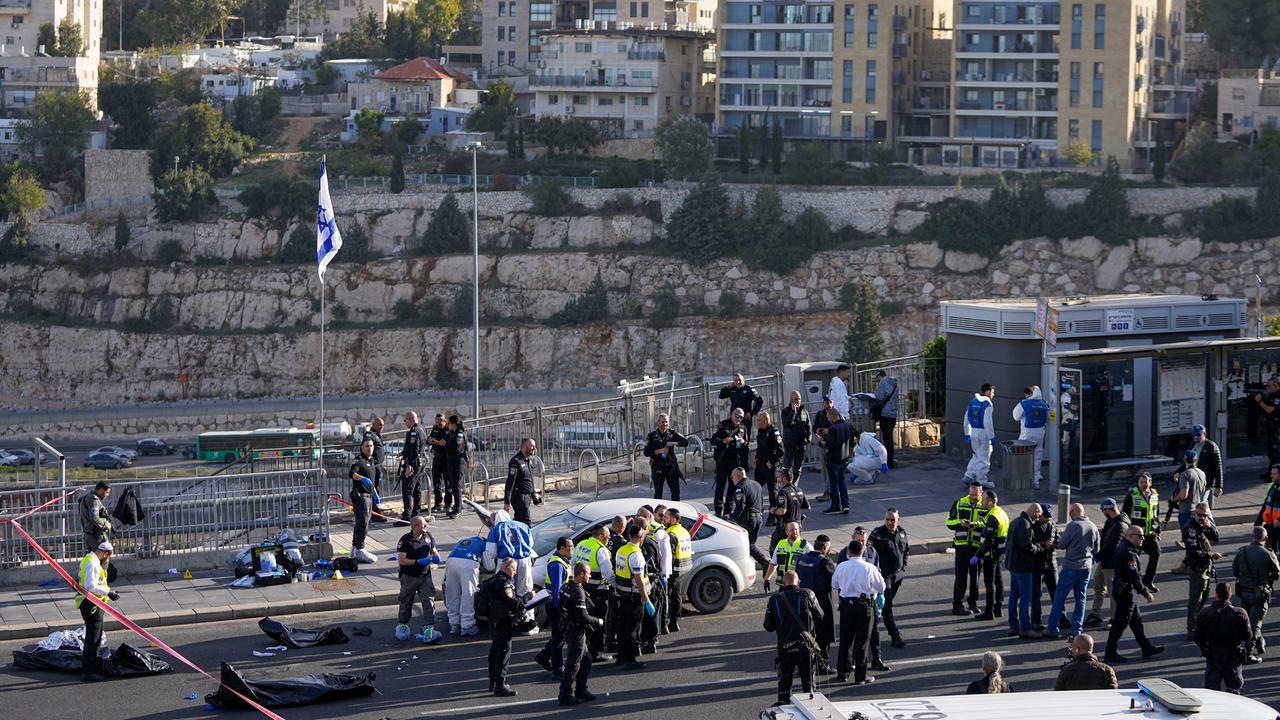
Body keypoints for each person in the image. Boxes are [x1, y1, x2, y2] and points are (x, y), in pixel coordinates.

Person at [1103, 525, 1165, 664]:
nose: (1142, 538)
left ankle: (1146, 647)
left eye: (1142, 536)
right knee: (1120, 623)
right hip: (1126, 592)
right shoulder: (1128, 553)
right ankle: (1110, 652)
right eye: (1139, 536)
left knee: (1136, 622)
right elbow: (1134, 577)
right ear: (1130, 536)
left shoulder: (1127, 548)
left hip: (1126, 591)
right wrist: (1146, 593)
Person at [763, 570, 824, 705]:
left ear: (784, 583)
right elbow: (820, 615)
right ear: (799, 582)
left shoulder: (774, 599)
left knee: (784, 682)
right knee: (808, 685)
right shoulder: (808, 594)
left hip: (785, 648)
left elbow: (768, 626)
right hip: (806, 647)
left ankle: (784, 706)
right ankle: (809, 708)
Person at [831, 539, 885, 685]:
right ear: (862, 552)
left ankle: (843, 673)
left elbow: (834, 584)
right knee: (862, 642)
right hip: (864, 607)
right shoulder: (869, 567)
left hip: (846, 607)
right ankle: (860, 676)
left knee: (845, 641)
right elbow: (881, 587)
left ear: (849, 552)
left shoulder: (841, 566)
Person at [1046, 503, 1099, 641]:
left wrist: (1052, 544)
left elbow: (1062, 544)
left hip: (1071, 566)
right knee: (1081, 598)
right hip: (1086, 566)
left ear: (1073, 512)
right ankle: (1077, 629)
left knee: (1059, 597)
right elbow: (1096, 549)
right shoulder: (1093, 526)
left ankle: (1053, 628)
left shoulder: (1073, 526)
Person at [1194, 583, 1252, 694]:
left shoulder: (1205, 613)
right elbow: (1247, 636)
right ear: (1230, 594)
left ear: (1216, 594)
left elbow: (1197, 637)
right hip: (1232, 657)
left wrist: (1205, 647)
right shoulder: (1240, 613)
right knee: (1234, 692)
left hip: (1213, 655)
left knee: (1211, 693)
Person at [1233, 525, 1279, 663]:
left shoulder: (1242, 552)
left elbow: (1235, 571)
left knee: (1247, 623)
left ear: (1252, 536)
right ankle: (1247, 654)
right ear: (1265, 538)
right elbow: (1277, 574)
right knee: (1255, 624)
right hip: (1260, 593)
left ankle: (1259, 643)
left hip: (1244, 592)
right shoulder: (1268, 553)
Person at [393, 515, 443, 643]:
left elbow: (433, 550)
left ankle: (429, 630)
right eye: (423, 525)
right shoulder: (405, 540)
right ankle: (403, 626)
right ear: (415, 526)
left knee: (429, 602)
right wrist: (417, 562)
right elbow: (402, 560)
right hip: (409, 577)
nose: (426, 527)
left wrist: (436, 556)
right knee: (406, 602)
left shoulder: (428, 536)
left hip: (425, 576)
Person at [558, 561, 602, 706]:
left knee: (587, 659)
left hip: (568, 627)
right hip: (576, 631)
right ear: (581, 574)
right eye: (588, 573)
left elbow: (561, 606)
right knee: (573, 664)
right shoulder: (578, 591)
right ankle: (565, 695)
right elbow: (583, 616)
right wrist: (598, 621)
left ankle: (581, 690)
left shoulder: (565, 586)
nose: (590, 576)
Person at [848, 526, 890, 673]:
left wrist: (879, 594)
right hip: (853, 600)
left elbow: (877, 572)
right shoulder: (846, 553)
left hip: (871, 598)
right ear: (853, 539)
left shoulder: (872, 552)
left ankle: (877, 659)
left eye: (863, 540)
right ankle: (853, 660)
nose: (861, 543)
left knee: (875, 630)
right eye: (858, 540)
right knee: (854, 632)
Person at [75, 541, 119, 682]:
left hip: (93, 603)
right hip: (90, 605)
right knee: (93, 638)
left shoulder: (90, 559)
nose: (108, 559)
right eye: (109, 556)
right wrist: (108, 592)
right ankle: (88, 672)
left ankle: (92, 667)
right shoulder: (92, 563)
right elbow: (90, 586)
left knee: (96, 636)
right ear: (105, 553)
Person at [613, 523, 653, 670]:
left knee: (623, 627)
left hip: (622, 594)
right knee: (633, 628)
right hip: (634, 596)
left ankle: (621, 656)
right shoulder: (636, 555)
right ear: (641, 537)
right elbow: (639, 579)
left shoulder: (622, 550)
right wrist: (645, 599)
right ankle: (630, 660)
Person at [868, 509, 909, 648]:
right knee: (887, 606)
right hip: (884, 577)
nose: (889, 522)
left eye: (893, 520)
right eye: (887, 519)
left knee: (887, 604)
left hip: (898, 575)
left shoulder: (902, 532)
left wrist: (903, 567)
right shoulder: (877, 534)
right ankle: (895, 635)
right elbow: (869, 554)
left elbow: (906, 551)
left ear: (898, 520)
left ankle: (873, 622)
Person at [573, 523, 616, 655]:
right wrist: (617, 585)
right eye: (608, 536)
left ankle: (585, 647)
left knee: (585, 619)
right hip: (599, 591)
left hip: (583, 589)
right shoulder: (600, 551)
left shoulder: (581, 544)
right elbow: (608, 575)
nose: (609, 539)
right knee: (599, 620)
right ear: (602, 536)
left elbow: (573, 564)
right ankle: (597, 651)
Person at [796, 535, 837, 673]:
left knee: (807, 633)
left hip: (803, 599)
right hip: (822, 601)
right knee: (823, 635)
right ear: (825, 547)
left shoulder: (802, 558)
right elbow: (835, 581)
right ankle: (823, 664)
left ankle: (806, 663)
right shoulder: (825, 561)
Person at [946, 480, 988, 616]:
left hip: (977, 547)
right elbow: (949, 522)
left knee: (975, 577)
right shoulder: (959, 503)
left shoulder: (986, 505)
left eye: (976, 495)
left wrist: (977, 524)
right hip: (962, 546)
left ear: (981, 493)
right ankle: (957, 605)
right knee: (960, 577)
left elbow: (989, 523)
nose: (973, 498)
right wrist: (960, 523)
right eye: (971, 495)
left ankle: (973, 603)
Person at [1087, 498, 1129, 628]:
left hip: (1113, 563)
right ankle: (1095, 614)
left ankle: (1115, 619)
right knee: (1098, 588)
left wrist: (1097, 555)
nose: (1103, 513)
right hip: (1105, 561)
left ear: (1107, 509)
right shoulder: (1111, 521)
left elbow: (1112, 546)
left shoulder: (1121, 525)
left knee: (1114, 593)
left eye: (1103, 510)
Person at [535, 537, 574, 677]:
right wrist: (562, 608)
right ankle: (558, 668)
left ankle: (544, 656)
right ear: (561, 548)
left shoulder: (561, 560)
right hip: (556, 604)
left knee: (559, 634)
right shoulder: (557, 564)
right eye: (570, 547)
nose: (572, 549)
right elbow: (557, 590)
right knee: (559, 636)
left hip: (556, 603)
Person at [484, 509, 534, 619]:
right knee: (525, 590)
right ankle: (528, 621)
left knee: (504, 592)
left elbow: (491, 552)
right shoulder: (523, 526)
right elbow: (531, 543)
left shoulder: (495, 530)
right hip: (524, 560)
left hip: (506, 563)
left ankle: (509, 618)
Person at [1183, 501, 1222, 639]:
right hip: (1196, 567)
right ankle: (1191, 629)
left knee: (1204, 598)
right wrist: (1211, 555)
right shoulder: (1190, 527)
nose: (1202, 517)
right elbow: (1193, 551)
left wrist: (1210, 527)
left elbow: (1216, 538)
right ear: (1194, 513)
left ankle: (1197, 623)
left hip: (1206, 567)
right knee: (1195, 600)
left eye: (1205, 515)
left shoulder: (1204, 525)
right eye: (1200, 515)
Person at [1005, 503, 1044, 639]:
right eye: (1039, 514)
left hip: (1013, 565)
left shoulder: (1015, 521)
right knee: (1025, 598)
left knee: (1013, 597)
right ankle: (1025, 629)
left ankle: (1013, 626)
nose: (1039, 517)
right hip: (1023, 566)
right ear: (1035, 511)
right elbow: (1026, 546)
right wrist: (1039, 547)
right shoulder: (1025, 524)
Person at [486, 558, 524, 696]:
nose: (515, 573)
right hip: (503, 621)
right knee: (503, 653)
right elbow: (512, 602)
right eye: (514, 569)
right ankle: (500, 685)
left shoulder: (493, 580)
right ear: (507, 567)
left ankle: (492, 681)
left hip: (494, 620)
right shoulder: (504, 583)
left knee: (495, 651)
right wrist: (526, 598)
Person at [972, 490, 1010, 622]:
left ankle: (989, 611)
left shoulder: (993, 517)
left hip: (991, 554)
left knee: (989, 583)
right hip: (999, 553)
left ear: (991, 502)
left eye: (983, 499)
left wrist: (978, 555)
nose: (981, 501)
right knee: (999, 581)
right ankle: (998, 609)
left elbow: (989, 541)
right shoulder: (1001, 513)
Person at [636, 508, 671, 653]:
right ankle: (648, 639)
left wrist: (665, 575)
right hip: (645, 581)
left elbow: (664, 558)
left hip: (651, 581)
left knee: (653, 612)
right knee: (648, 613)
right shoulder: (639, 541)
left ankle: (651, 640)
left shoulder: (656, 536)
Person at [1121, 472, 1161, 593]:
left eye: (1146, 482)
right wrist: (1127, 532)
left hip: (1149, 534)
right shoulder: (1132, 495)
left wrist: (1158, 531)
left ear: (1150, 482)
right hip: (1135, 535)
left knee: (1156, 554)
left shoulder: (1154, 495)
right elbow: (1125, 514)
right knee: (1133, 560)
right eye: (1141, 482)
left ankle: (1148, 581)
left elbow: (1156, 514)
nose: (1143, 484)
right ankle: (1129, 583)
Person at [730, 467, 771, 571]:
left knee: (745, 545)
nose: (732, 479)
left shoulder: (741, 488)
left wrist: (732, 520)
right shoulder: (756, 484)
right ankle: (763, 562)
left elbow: (740, 507)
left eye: (733, 477)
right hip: (758, 518)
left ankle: (764, 562)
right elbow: (761, 503)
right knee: (750, 544)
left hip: (747, 520)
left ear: (738, 477)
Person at [445, 531, 485, 636]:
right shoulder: (484, 543)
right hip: (469, 563)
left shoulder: (464, 540)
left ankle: (454, 623)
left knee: (452, 593)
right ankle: (467, 625)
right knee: (469, 594)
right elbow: (489, 563)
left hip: (451, 561)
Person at [711, 408, 750, 516]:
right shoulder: (723, 425)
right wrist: (724, 441)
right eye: (737, 416)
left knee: (734, 485)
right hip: (723, 460)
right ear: (732, 414)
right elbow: (713, 441)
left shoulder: (743, 428)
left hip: (735, 460)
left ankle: (728, 509)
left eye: (741, 417)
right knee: (720, 485)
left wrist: (743, 442)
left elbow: (747, 443)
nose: (739, 419)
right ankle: (718, 510)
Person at [348, 438, 380, 564]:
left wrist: (375, 493)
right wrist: (362, 479)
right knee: (363, 523)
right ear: (362, 447)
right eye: (367, 446)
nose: (370, 448)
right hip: (360, 495)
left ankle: (355, 548)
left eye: (371, 446)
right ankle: (360, 549)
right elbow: (351, 473)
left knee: (362, 522)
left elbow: (372, 481)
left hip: (369, 495)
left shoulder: (372, 460)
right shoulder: (359, 460)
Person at [643, 414, 688, 501]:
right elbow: (646, 452)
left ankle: (674, 513)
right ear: (658, 423)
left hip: (671, 466)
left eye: (666, 422)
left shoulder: (672, 433)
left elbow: (685, 442)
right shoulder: (652, 436)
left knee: (676, 493)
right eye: (662, 422)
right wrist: (659, 451)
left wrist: (673, 443)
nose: (664, 424)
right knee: (658, 494)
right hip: (658, 467)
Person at [1012, 386, 1049, 489]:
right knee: (1037, 456)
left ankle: (1021, 479)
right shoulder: (1044, 404)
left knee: (1022, 455)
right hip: (1040, 432)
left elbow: (1015, 416)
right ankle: (1035, 481)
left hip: (1027, 432)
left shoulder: (1024, 403)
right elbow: (1047, 419)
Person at [662, 508, 693, 632]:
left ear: (673, 520)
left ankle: (669, 622)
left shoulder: (671, 534)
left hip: (674, 570)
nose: (663, 519)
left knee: (668, 596)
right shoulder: (683, 531)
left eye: (666, 518)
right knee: (676, 595)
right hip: (684, 568)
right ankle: (675, 621)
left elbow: (668, 555)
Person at [1031, 503, 1060, 631]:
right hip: (1038, 564)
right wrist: (1043, 544)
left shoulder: (1052, 524)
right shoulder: (1033, 525)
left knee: (1056, 592)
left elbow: (1057, 538)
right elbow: (1030, 543)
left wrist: (1055, 544)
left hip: (1051, 562)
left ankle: (1061, 617)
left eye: (1050, 516)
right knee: (1036, 594)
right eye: (1046, 516)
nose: (1048, 519)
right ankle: (1036, 620)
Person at [820, 409, 854, 514]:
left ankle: (835, 505)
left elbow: (829, 444)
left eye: (828, 417)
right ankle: (845, 505)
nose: (827, 419)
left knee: (834, 483)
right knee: (842, 481)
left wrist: (822, 442)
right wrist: (851, 451)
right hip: (844, 458)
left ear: (833, 416)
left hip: (833, 459)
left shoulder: (833, 428)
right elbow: (853, 440)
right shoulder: (847, 426)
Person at [963, 383, 997, 488]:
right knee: (984, 457)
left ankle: (968, 475)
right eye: (992, 392)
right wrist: (991, 436)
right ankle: (981, 481)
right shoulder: (987, 404)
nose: (993, 395)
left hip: (973, 432)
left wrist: (967, 433)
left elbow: (966, 419)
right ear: (987, 392)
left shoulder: (972, 402)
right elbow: (987, 422)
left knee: (977, 455)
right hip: (984, 433)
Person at [504, 438, 541, 527]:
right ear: (525, 447)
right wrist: (507, 502)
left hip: (527, 497)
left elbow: (529, 479)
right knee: (526, 522)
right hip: (519, 497)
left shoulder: (527, 460)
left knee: (519, 521)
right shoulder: (516, 461)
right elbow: (510, 482)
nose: (534, 449)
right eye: (532, 446)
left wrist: (533, 495)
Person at [768, 469, 808, 552]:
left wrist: (773, 511)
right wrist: (794, 505)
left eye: (780, 477)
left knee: (774, 548)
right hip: (798, 526)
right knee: (796, 548)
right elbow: (807, 507)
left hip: (786, 527)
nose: (778, 479)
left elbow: (782, 511)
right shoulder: (799, 490)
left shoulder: (783, 492)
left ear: (784, 478)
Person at [1172, 450, 1209, 534]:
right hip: (1197, 510)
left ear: (1184, 459)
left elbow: (1183, 495)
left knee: (1187, 535)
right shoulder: (1202, 473)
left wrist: (1174, 500)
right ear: (1196, 460)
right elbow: (1203, 490)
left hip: (1186, 510)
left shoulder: (1185, 474)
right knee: (1196, 534)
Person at [398, 411, 426, 520]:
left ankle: (407, 517)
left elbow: (414, 450)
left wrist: (409, 465)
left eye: (405, 420)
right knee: (416, 489)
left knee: (407, 490)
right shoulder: (421, 429)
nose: (405, 423)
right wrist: (403, 453)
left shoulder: (414, 432)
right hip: (420, 463)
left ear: (410, 419)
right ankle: (416, 513)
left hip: (413, 464)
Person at [1186, 424, 1224, 503]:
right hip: (1194, 481)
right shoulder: (1192, 444)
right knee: (1197, 506)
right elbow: (1187, 461)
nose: (1196, 437)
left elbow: (1218, 467)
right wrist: (1178, 472)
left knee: (1202, 505)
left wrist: (1218, 486)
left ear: (1205, 434)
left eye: (1198, 435)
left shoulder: (1211, 446)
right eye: (1194, 435)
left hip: (1206, 482)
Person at [765, 522, 810, 590]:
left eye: (796, 529)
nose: (794, 532)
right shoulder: (781, 544)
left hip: (798, 586)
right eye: (792, 530)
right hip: (783, 585)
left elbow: (812, 567)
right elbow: (773, 563)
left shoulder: (806, 546)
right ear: (787, 532)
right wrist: (767, 579)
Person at [443, 416, 470, 520]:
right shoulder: (452, 434)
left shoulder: (459, 434)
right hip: (452, 463)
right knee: (453, 486)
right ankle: (455, 508)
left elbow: (457, 449)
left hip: (458, 463)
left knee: (456, 486)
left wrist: (446, 444)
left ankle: (458, 509)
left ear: (454, 424)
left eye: (449, 423)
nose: (447, 425)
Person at [756, 412, 785, 507]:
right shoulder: (761, 431)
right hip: (760, 465)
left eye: (759, 420)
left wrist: (772, 462)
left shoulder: (774, 432)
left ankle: (775, 513)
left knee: (773, 492)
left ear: (765, 421)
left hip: (770, 467)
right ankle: (758, 510)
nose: (757, 422)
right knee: (757, 489)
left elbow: (781, 452)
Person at [781, 390, 811, 482]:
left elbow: (809, 427)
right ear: (791, 400)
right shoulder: (785, 411)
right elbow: (786, 423)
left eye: (799, 399)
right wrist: (793, 412)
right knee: (786, 468)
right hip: (790, 445)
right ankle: (785, 486)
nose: (798, 401)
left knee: (797, 469)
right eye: (795, 399)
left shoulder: (804, 412)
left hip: (801, 445)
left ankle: (794, 486)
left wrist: (807, 440)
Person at [363, 416, 389, 520]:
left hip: (377, 465)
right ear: (373, 425)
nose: (381, 427)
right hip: (372, 466)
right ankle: (374, 512)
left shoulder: (377, 435)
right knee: (372, 489)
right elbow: (366, 447)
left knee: (375, 488)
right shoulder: (370, 435)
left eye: (383, 425)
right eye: (379, 425)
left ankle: (374, 511)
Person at [871, 370, 899, 469]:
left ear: (880, 376)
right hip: (893, 414)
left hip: (885, 414)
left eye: (877, 378)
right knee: (889, 439)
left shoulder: (883, 382)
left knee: (887, 439)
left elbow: (879, 397)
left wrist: (874, 393)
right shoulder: (894, 383)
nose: (877, 381)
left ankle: (888, 462)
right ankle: (890, 460)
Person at [1253, 376, 1280, 470]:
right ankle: (1271, 472)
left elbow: (1270, 410)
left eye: (1270, 386)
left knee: (1275, 451)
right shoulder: (1271, 395)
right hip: (1269, 426)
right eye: (1267, 386)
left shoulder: (1278, 396)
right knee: (1270, 451)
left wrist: (1259, 401)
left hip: (1275, 427)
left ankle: (1276, 474)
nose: (1268, 388)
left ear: (1276, 386)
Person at [79, 481, 112, 553]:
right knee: (103, 559)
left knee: (95, 561)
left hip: (90, 535)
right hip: (96, 537)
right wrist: (105, 525)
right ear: (101, 490)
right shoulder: (94, 500)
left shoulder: (88, 497)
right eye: (107, 492)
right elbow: (94, 518)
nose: (107, 495)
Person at [426, 414, 449, 514]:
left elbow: (443, 443)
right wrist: (434, 441)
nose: (436, 422)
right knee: (436, 481)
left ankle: (448, 504)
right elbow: (428, 440)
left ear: (443, 420)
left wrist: (434, 441)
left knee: (447, 482)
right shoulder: (435, 428)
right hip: (437, 457)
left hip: (446, 458)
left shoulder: (447, 429)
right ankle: (438, 503)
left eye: (438, 420)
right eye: (435, 420)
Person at [1256, 465, 1280, 556]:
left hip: (1279, 524)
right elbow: (1265, 506)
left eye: (1274, 474)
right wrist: (1258, 522)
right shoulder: (1271, 487)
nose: (1271, 476)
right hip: (1270, 525)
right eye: (1271, 473)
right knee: (1269, 551)